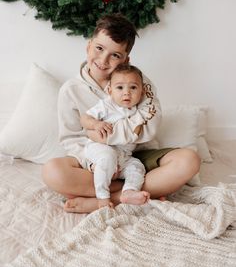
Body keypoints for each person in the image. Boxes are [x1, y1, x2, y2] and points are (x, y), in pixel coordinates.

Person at [42, 13, 201, 213]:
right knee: (53, 172)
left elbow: (148, 126)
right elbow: (71, 138)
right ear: (89, 45)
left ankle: (107, 199)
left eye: (115, 55)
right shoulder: (70, 90)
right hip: (95, 159)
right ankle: (132, 191)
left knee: (189, 160)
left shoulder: (138, 82)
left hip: (136, 155)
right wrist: (95, 162)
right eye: (99, 48)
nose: (103, 60)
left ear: (126, 59)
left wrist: (100, 134)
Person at [81, 64, 150, 209]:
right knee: (107, 157)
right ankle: (102, 197)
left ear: (142, 91)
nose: (127, 93)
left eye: (133, 87)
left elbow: (139, 133)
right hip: (100, 148)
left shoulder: (140, 111)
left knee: (137, 167)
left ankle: (129, 191)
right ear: (110, 90)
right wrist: (95, 124)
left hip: (123, 155)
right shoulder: (106, 105)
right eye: (120, 88)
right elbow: (84, 118)